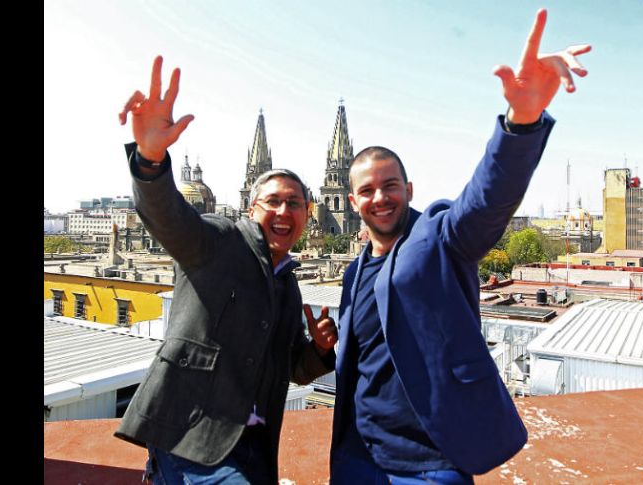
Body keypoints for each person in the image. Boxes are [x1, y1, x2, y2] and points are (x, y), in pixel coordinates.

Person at [329, 9, 591, 484]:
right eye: (367, 190)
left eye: (390, 185)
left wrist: (521, 122)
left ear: (409, 188)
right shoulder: (353, 271)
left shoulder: (438, 237)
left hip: (430, 465)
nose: (380, 198)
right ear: (352, 201)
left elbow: (485, 201)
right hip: (357, 461)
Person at [114, 56, 338, 484]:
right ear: (250, 207)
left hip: (253, 447)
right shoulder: (218, 240)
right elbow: (168, 218)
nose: (283, 210)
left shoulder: (289, 285)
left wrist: (321, 351)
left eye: (294, 203)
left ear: (309, 215)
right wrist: (150, 159)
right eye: (272, 200)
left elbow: (291, 368)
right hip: (190, 439)